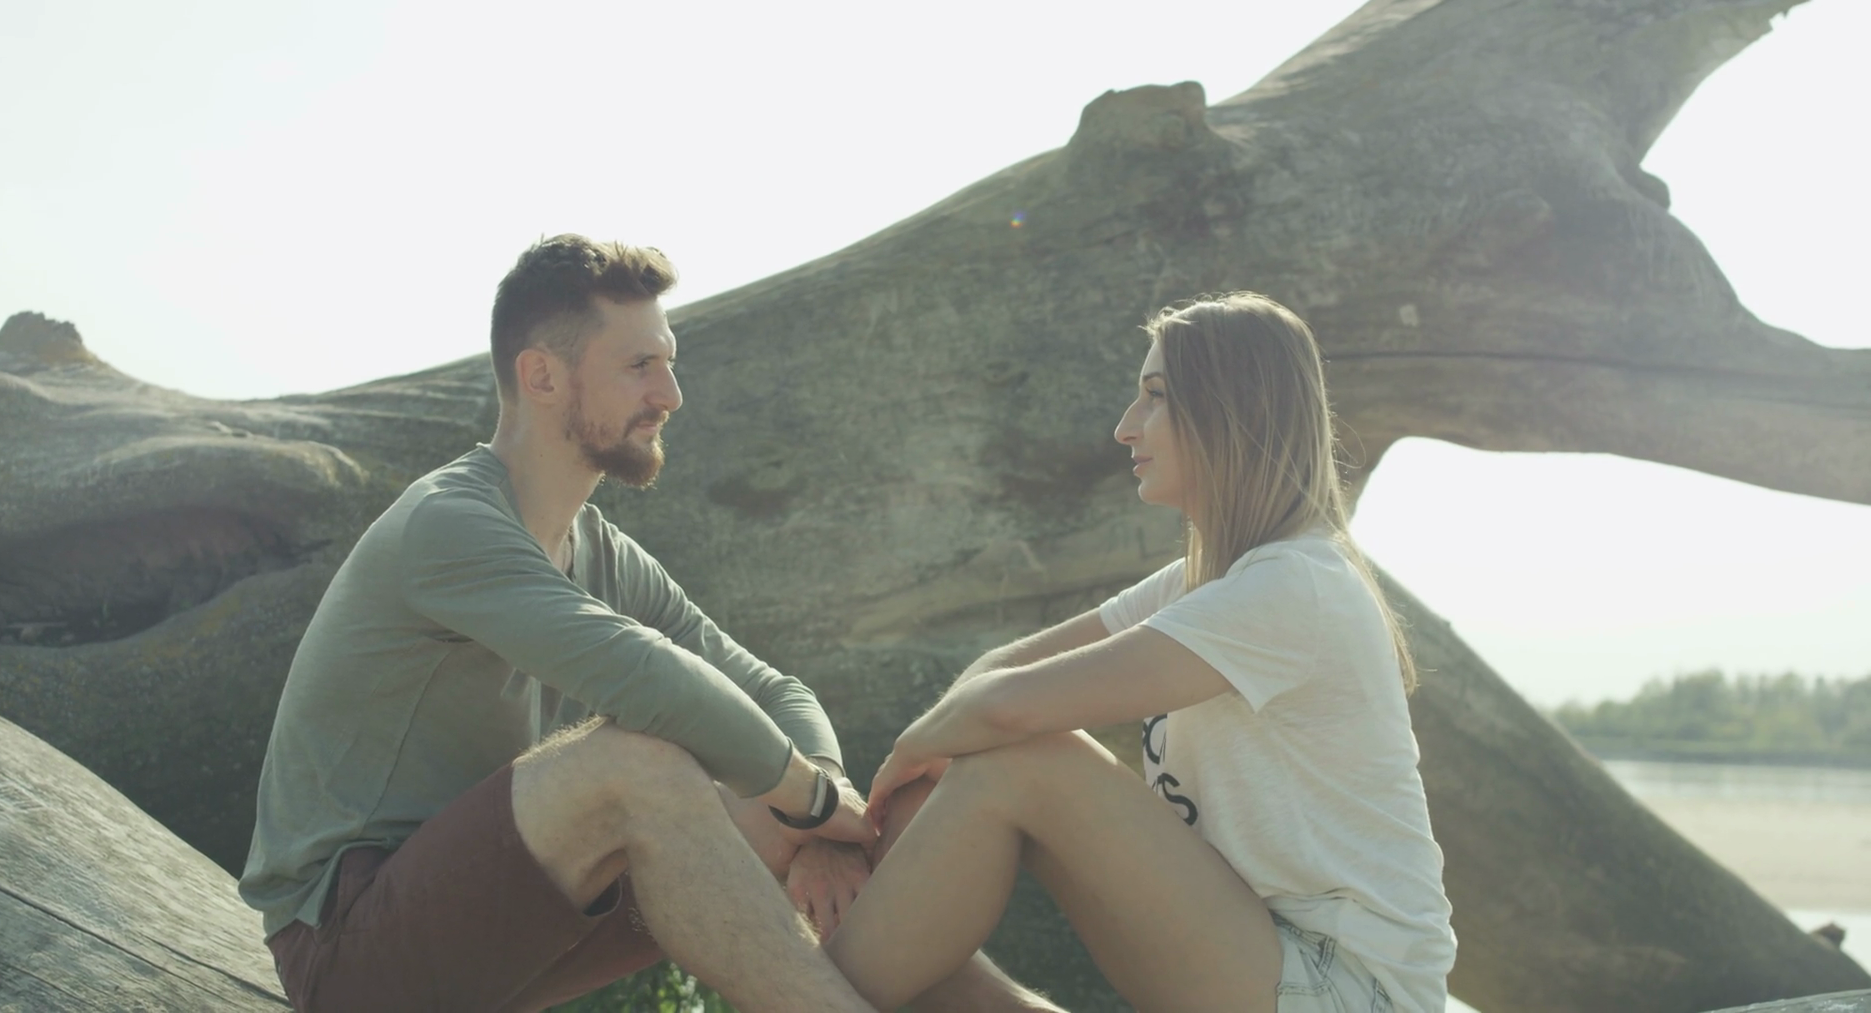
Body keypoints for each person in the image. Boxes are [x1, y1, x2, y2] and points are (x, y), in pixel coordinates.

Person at [238, 235, 882, 1013]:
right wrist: (814, 800)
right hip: (346, 953)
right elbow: (649, 677)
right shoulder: (448, 523)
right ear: (541, 375)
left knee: (860, 824)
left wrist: (825, 808)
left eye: (669, 361)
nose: (671, 393)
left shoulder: (605, 553)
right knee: (637, 763)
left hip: (495, 941)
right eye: (639, 365)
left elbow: (774, 691)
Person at [827, 293, 1457, 1012]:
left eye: (1155, 396)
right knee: (957, 780)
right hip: (1264, 953)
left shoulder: (1295, 584)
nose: (1126, 427)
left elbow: (1007, 708)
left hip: (1347, 988)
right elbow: (997, 674)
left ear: (1232, 412)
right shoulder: (1209, 577)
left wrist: (903, 756)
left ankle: (792, 993)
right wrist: (923, 767)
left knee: (1021, 759)